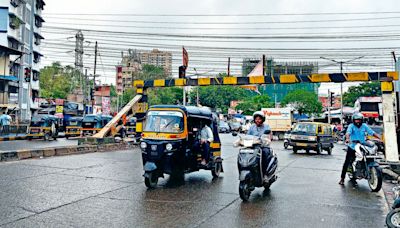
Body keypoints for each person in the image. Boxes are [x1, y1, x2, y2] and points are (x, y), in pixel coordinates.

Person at [338, 113, 381, 186]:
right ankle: (342, 178)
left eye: (359, 120)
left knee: (369, 154)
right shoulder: (351, 126)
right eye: (356, 120)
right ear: (353, 120)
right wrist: (348, 139)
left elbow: (372, 132)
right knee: (347, 162)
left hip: (362, 144)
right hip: (352, 146)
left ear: (362, 120)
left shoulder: (364, 126)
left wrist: (380, 138)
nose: (358, 121)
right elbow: (348, 133)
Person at [247, 111, 272, 177]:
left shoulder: (266, 127)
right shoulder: (252, 127)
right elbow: (247, 136)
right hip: (253, 146)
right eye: (256, 119)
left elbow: (269, 136)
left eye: (259, 119)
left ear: (263, 119)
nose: (257, 120)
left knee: (265, 153)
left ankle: (265, 173)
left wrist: (267, 139)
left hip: (263, 146)